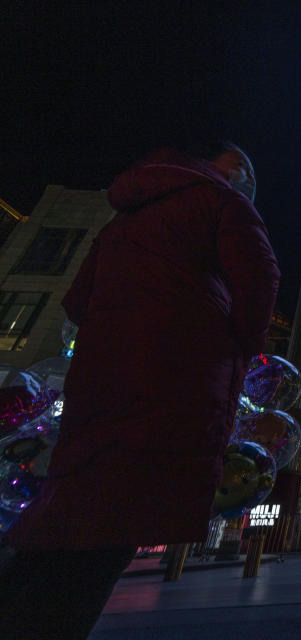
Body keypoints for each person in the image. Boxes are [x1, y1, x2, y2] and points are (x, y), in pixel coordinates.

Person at [0, 142, 280, 637]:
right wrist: (232, 342)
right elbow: (259, 279)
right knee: (112, 530)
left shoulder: (123, 219)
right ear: (232, 169)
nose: (251, 183)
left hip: (99, 387)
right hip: (174, 390)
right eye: (249, 171)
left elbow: (76, 301)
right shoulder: (222, 201)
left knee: (65, 524)